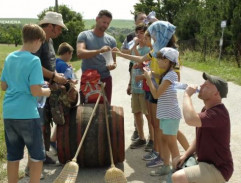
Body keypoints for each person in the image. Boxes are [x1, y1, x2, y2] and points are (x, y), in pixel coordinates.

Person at [1, 24, 51, 183]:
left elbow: (3, 85)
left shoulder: (9, 57)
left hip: (9, 113)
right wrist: (46, 91)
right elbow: (35, 91)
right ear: (37, 41)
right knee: (37, 157)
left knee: (13, 156)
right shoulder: (34, 60)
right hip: (28, 114)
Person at [172, 72, 233, 183]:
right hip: (205, 163)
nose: (201, 86)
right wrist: (186, 155)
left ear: (217, 94)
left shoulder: (218, 113)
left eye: (207, 86)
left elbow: (190, 119)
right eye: (203, 84)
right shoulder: (206, 109)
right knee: (177, 162)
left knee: (178, 177)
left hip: (218, 168)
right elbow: (200, 136)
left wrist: (186, 95)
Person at [144, 47, 182, 176]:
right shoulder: (167, 74)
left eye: (160, 59)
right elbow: (158, 77)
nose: (158, 61)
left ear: (167, 61)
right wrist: (150, 74)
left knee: (172, 144)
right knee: (165, 141)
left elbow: (156, 95)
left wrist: (148, 79)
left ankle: (177, 171)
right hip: (166, 114)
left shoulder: (171, 75)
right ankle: (166, 166)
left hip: (170, 114)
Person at [77, 9, 117, 104]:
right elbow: (80, 53)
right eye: (104, 22)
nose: (105, 25)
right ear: (97, 19)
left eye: (108, 23)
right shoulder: (84, 35)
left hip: (105, 79)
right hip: (88, 80)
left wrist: (112, 66)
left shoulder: (112, 40)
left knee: (105, 112)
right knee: (86, 112)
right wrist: (99, 51)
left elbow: (114, 62)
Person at [121, 12, 147, 141]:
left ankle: (151, 138)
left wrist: (136, 47)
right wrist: (133, 46)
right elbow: (124, 51)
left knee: (147, 109)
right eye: (141, 18)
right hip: (134, 75)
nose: (144, 20)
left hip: (145, 79)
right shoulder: (130, 36)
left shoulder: (150, 39)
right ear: (135, 21)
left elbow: (145, 59)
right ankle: (138, 132)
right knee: (136, 108)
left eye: (145, 18)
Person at [128, 23, 151, 149]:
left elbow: (140, 60)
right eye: (137, 33)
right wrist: (129, 84)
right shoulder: (134, 48)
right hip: (135, 86)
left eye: (141, 33)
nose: (138, 35)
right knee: (136, 112)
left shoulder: (148, 49)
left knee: (147, 113)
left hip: (145, 87)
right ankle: (141, 137)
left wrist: (135, 47)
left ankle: (151, 139)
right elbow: (133, 65)